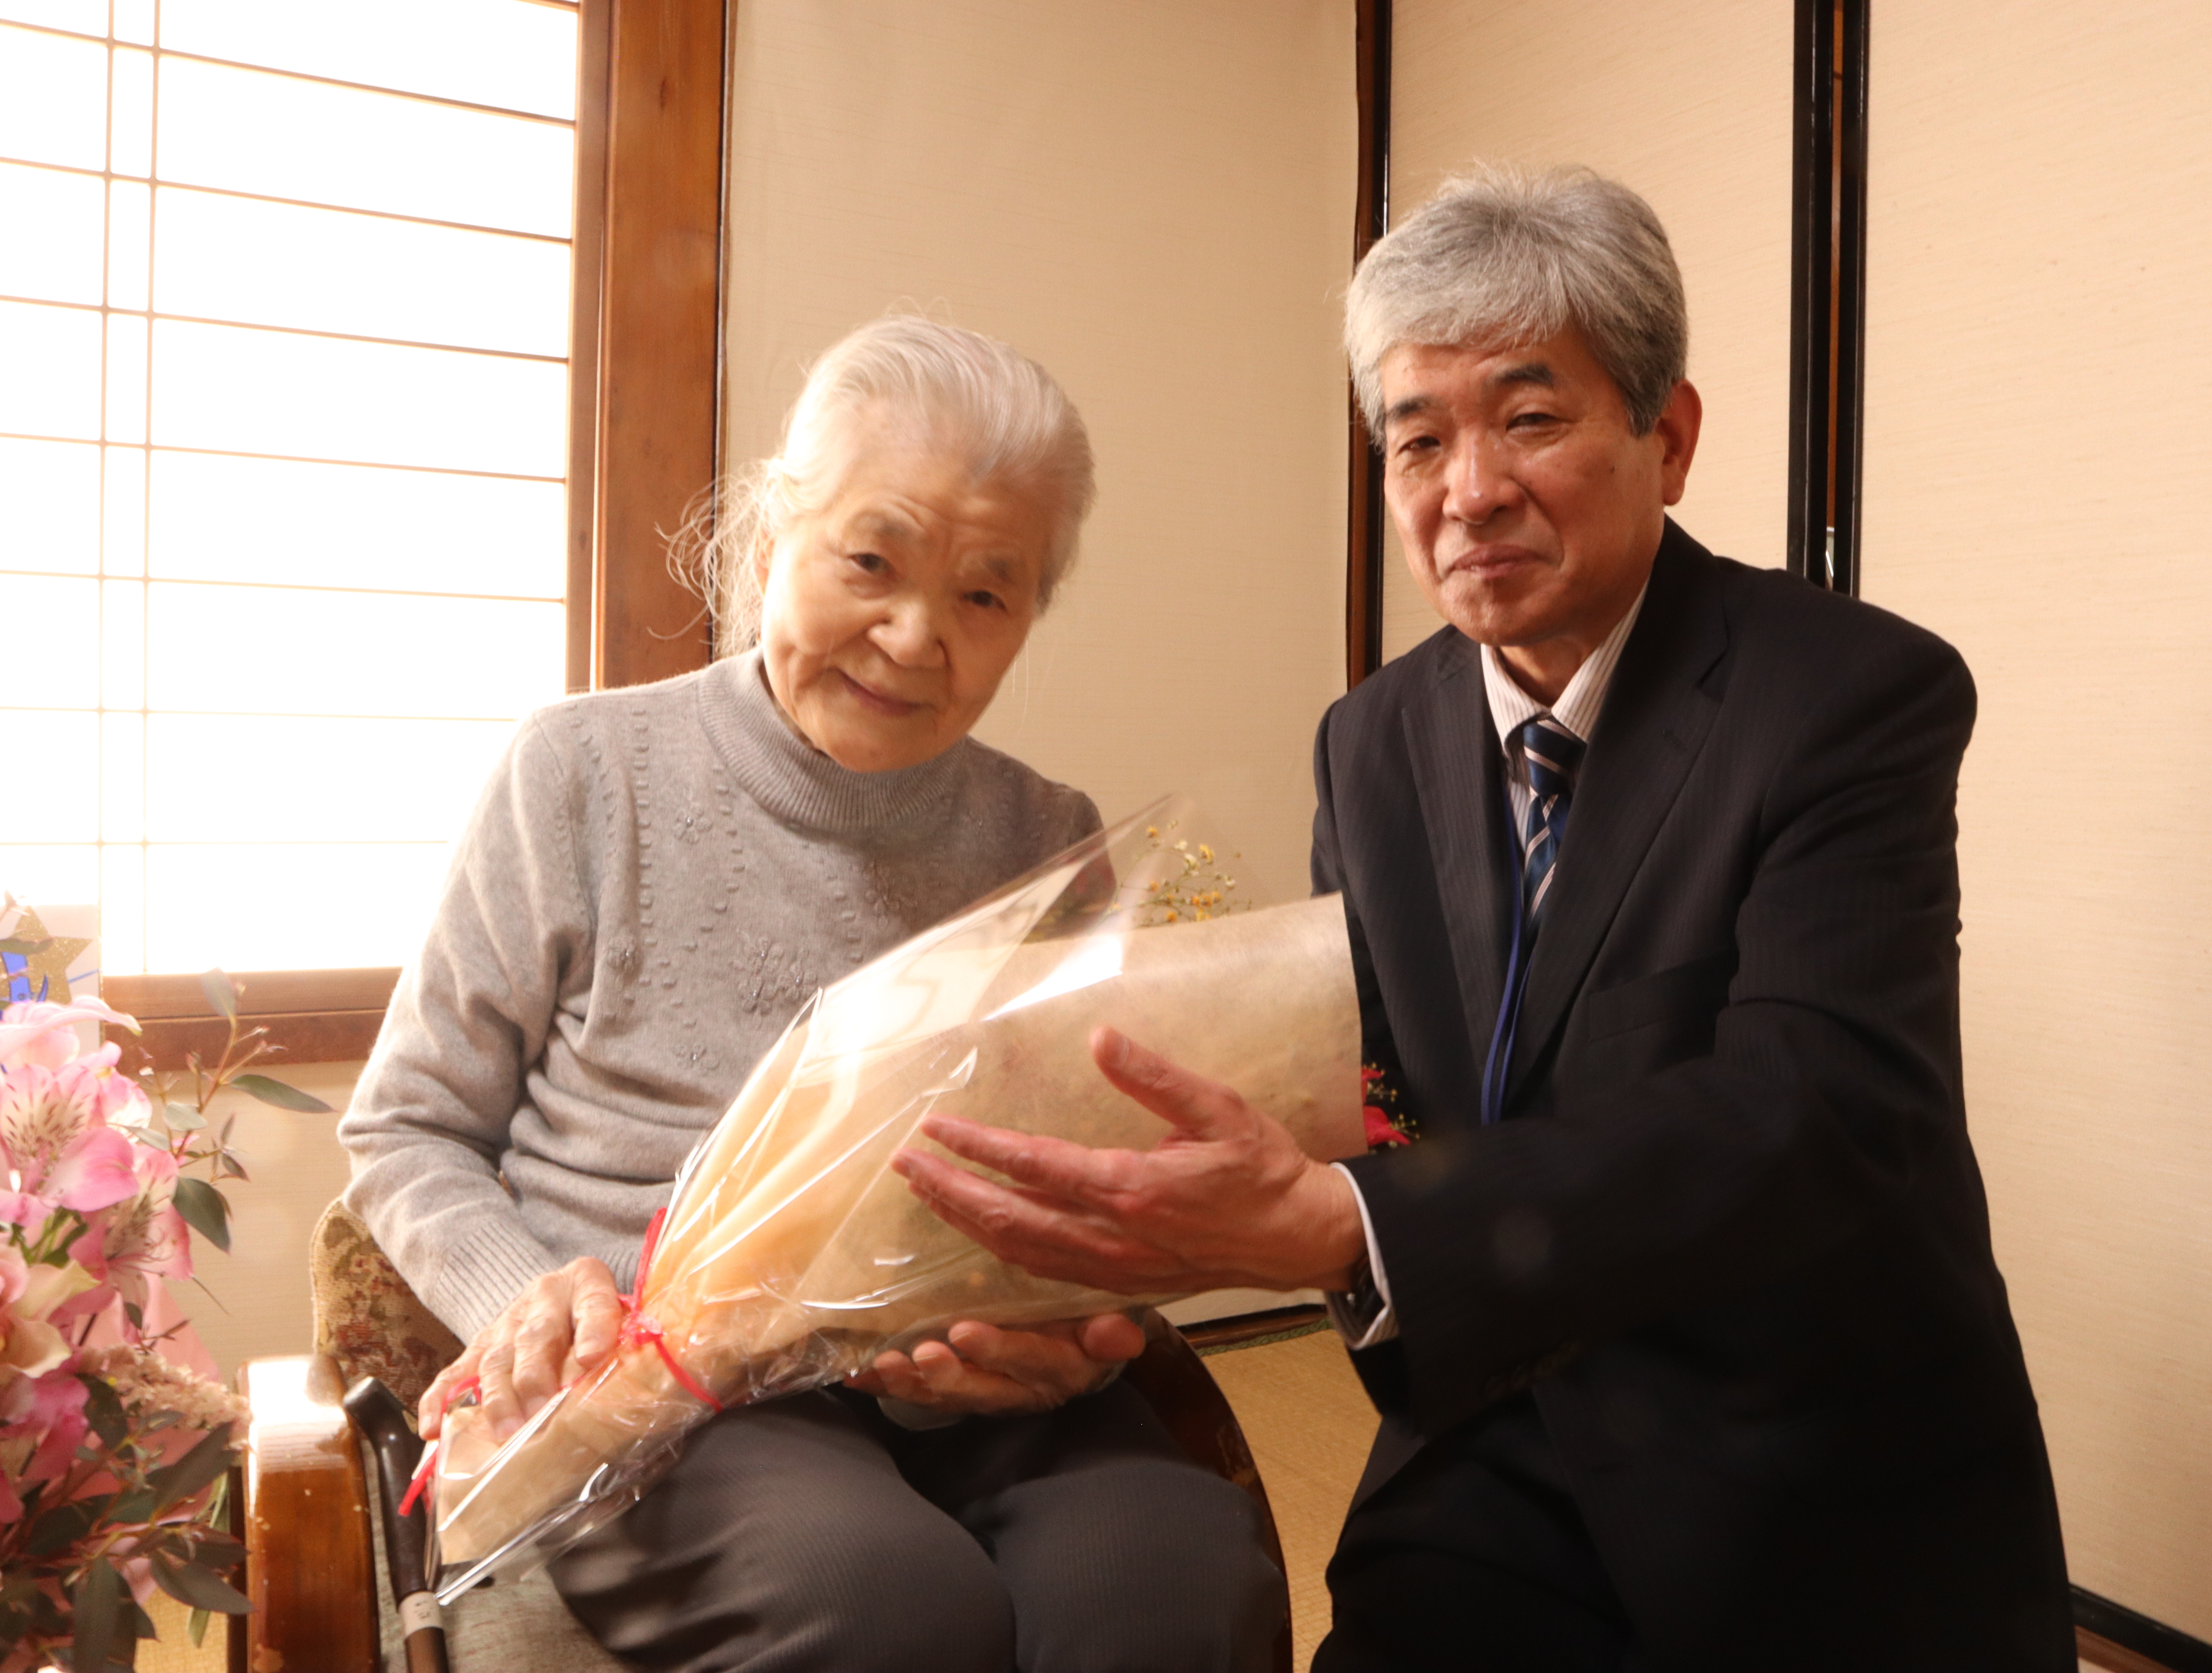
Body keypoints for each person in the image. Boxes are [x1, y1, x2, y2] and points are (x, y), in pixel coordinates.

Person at [896, 168, 2075, 1670]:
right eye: (1418, 437)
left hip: (1800, 1459)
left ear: (1671, 437)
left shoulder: (1846, 694)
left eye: (1530, 418)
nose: (1468, 489)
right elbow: (1365, 1088)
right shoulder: (1374, 739)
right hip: (1497, 1429)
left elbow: (1822, 1109)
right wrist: (1078, 1265)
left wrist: (1346, 1222)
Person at [340, 316, 1286, 1673]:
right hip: (671, 1393)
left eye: (986, 594)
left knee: (1171, 1579)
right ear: (774, 528)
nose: (913, 636)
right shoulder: (584, 773)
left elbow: (1091, 1179)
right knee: (881, 1603)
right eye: (871, 561)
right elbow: (404, 1130)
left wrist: (1083, 1332)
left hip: (969, 1386)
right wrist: (532, 1302)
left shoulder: (1047, 832)